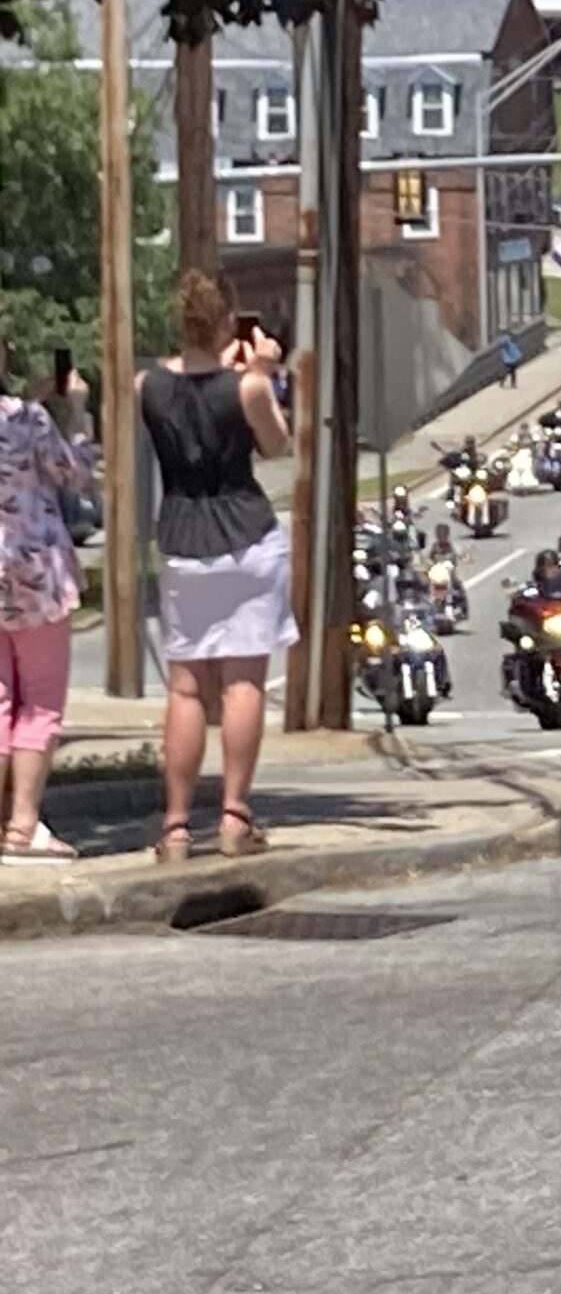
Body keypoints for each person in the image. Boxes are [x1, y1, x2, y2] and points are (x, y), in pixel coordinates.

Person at [138, 269, 295, 864]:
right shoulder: (246, 387)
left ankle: (175, 825)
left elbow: (178, 402)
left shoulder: (146, 386)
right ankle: (234, 815)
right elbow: (276, 446)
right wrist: (265, 375)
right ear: (229, 320)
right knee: (242, 681)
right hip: (245, 535)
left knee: (185, 686)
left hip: (182, 536)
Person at [0, 347, 98, 863]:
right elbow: (73, 473)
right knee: (38, 702)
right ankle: (22, 825)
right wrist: (77, 412)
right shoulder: (26, 419)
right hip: (33, 573)